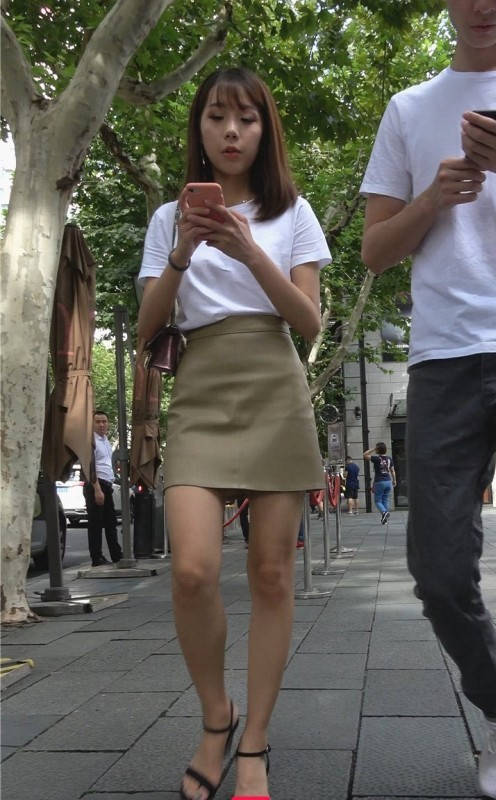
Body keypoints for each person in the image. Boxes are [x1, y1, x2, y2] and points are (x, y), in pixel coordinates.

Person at [137, 67, 330, 800]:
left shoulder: (294, 213)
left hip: (276, 385)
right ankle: (217, 716)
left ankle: (255, 741)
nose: (231, 131)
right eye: (217, 116)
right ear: (199, 126)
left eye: (246, 118)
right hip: (202, 388)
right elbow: (149, 325)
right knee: (191, 570)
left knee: (272, 574)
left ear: (264, 130)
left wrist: (250, 250)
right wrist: (184, 250)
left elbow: (309, 322)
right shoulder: (169, 217)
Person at [360, 2, 496, 794]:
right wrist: (432, 201)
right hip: (444, 358)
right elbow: (375, 250)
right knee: (439, 572)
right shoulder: (409, 109)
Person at [83, 411, 123, 567]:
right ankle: (96, 557)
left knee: (110, 522)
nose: (101, 425)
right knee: (96, 524)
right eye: (98, 422)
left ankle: (116, 554)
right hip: (96, 484)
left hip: (107, 484)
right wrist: (97, 489)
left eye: (104, 421)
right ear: (92, 424)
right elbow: (90, 465)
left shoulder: (105, 440)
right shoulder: (90, 441)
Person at [363, 443, 396, 524]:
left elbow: (365, 454)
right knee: (385, 500)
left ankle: (384, 512)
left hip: (379, 481)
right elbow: (392, 471)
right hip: (388, 481)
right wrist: (394, 480)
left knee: (377, 501)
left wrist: (374, 449)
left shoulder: (376, 458)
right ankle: (385, 519)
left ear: (378, 449)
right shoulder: (389, 459)